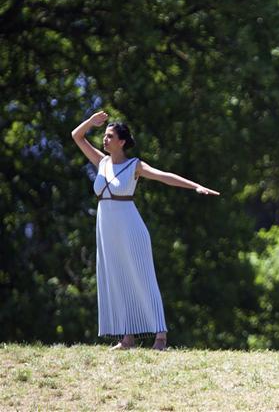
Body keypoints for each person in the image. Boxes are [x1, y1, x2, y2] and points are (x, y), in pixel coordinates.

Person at [71, 110, 219, 350]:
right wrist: (90, 122)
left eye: (109, 136)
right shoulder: (102, 162)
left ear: (121, 142)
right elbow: (76, 136)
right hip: (107, 232)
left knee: (142, 279)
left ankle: (160, 337)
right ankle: (127, 338)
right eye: (104, 136)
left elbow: (164, 176)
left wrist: (195, 186)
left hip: (131, 229)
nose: (105, 139)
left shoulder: (134, 166)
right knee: (117, 279)